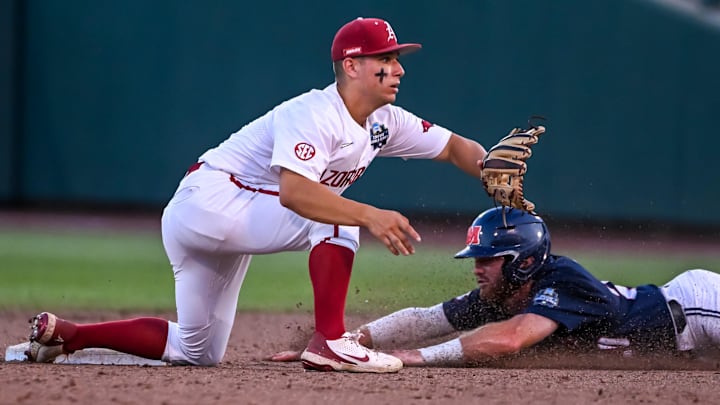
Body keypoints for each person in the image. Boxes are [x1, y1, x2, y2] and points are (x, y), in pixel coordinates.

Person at [24, 17, 488, 373]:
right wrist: (369, 214)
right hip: (212, 202)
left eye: (396, 57)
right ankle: (329, 341)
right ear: (351, 65)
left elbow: (453, 147)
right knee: (334, 212)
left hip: (224, 216)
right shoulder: (313, 113)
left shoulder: (387, 122)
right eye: (385, 58)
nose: (398, 68)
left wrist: (490, 169)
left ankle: (68, 336)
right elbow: (295, 195)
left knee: (197, 350)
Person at [270, 206, 720, 367]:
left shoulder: (560, 279)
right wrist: (343, 343)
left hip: (697, 311)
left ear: (524, 261)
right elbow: (428, 321)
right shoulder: (500, 293)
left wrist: (416, 360)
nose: (477, 268)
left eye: (488, 259)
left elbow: (509, 339)